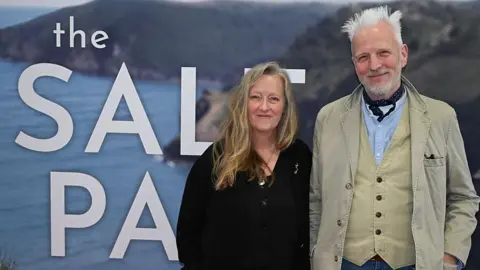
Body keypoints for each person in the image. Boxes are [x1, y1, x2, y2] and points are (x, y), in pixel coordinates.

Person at [309, 5, 480, 270]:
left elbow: (463, 198)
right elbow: (316, 199)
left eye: (383, 53)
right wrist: (315, 257)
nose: (374, 65)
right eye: (363, 57)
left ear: (403, 55)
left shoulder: (441, 117)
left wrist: (449, 258)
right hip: (343, 264)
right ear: (354, 63)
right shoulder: (327, 118)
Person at [176, 61, 312, 270]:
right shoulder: (215, 159)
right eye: (255, 97)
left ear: (284, 107)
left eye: (273, 99)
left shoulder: (300, 157)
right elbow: (187, 238)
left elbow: (309, 231)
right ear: (243, 103)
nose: (264, 107)